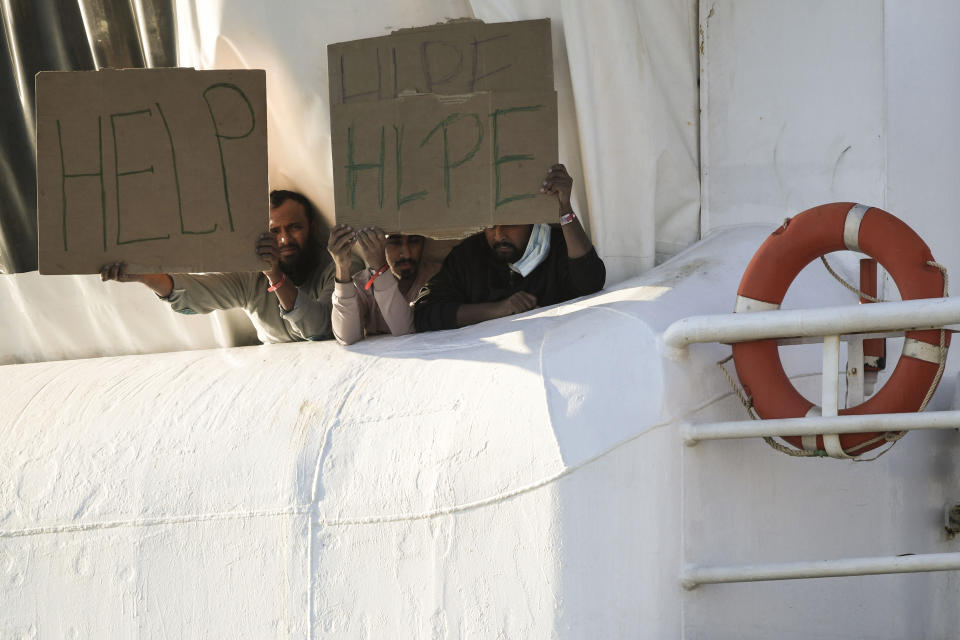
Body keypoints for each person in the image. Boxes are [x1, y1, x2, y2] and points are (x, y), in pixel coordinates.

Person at [100, 190, 341, 343]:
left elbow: (320, 328)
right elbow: (196, 294)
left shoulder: (337, 266)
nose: (284, 240)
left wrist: (276, 277)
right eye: (274, 231)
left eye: (295, 227)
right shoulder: (252, 278)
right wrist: (145, 276)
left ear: (313, 227)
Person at [414, 164, 605, 331]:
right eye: (490, 226)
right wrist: (497, 310)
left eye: (510, 223)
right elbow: (424, 312)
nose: (499, 235)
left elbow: (591, 282)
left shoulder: (558, 245)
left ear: (531, 220)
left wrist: (564, 208)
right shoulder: (469, 256)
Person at [327, 226, 440, 345]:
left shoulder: (436, 276)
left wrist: (380, 269)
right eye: (395, 242)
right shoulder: (363, 283)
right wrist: (342, 269)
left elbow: (407, 331)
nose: (406, 254)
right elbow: (346, 337)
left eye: (414, 241)